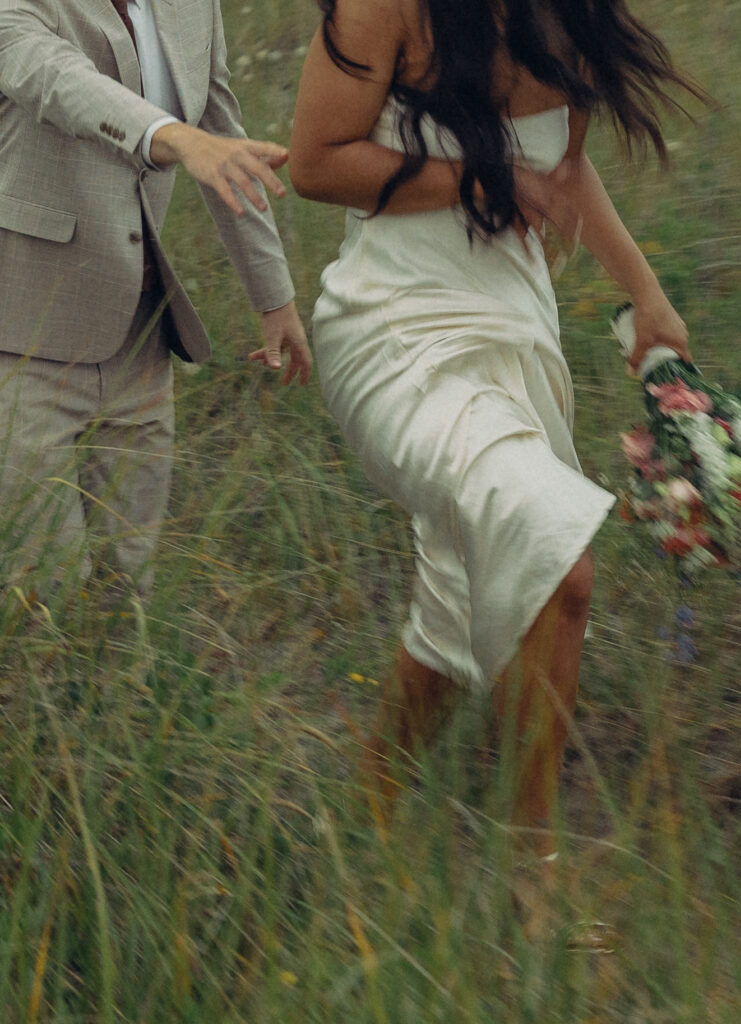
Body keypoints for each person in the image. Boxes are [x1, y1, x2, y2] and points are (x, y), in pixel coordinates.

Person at [289, 0, 698, 923]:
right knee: (556, 555)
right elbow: (316, 164)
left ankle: (362, 832)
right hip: (392, 328)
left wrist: (648, 295)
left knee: (458, 600)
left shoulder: (571, 15)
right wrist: (489, 178)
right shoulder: (385, 7)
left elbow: (566, 174)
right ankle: (532, 871)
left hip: (515, 329)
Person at [0, 0, 312, 596]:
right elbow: (58, 82)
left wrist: (275, 299)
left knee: (128, 590)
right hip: (21, 341)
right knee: (45, 591)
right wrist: (173, 137)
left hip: (140, 340)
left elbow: (224, 143)